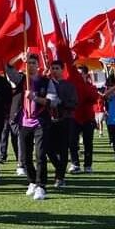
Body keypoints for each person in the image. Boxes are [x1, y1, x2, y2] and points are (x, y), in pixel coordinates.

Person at [18, 54, 54, 200]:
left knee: (40, 154)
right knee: (25, 156)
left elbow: (52, 101)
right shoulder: (21, 79)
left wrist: (35, 98)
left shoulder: (46, 81)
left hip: (40, 121)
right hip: (24, 122)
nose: (30, 65)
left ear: (38, 65)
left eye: (33, 63)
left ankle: (41, 185)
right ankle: (32, 181)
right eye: (28, 63)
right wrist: (19, 57)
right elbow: (8, 68)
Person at [46, 60, 77, 188]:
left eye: (57, 68)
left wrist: (61, 103)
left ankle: (60, 177)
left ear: (62, 70)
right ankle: (59, 168)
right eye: (52, 68)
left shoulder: (69, 86)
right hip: (49, 121)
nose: (54, 70)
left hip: (65, 120)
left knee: (63, 149)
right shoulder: (46, 84)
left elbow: (74, 103)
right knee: (48, 148)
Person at [68, 65, 99, 174]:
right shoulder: (72, 86)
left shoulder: (91, 86)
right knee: (72, 142)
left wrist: (84, 86)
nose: (79, 76)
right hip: (74, 117)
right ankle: (75, 164)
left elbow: (94, 98)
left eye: (81, 73)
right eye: (77, 74)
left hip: (87, 118)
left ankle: (88, 165)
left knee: (88, 143)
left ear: (86, 74)